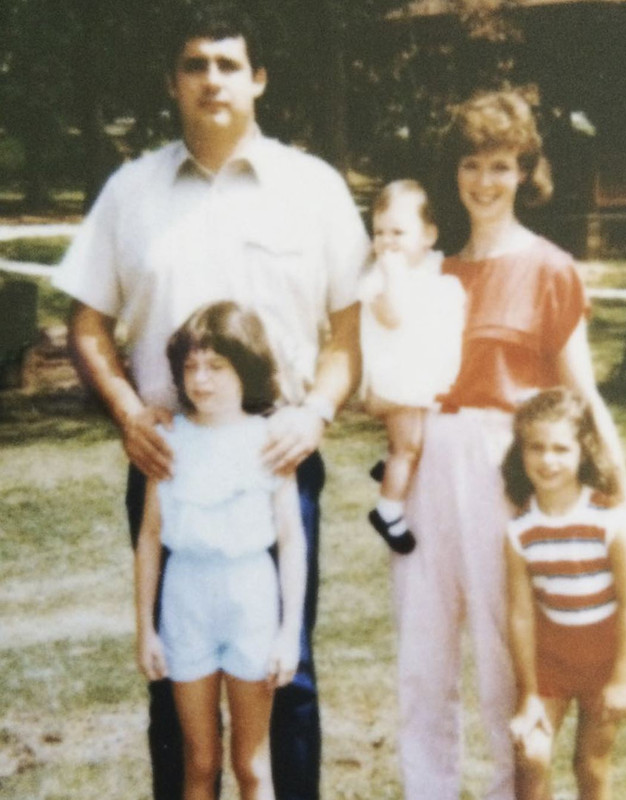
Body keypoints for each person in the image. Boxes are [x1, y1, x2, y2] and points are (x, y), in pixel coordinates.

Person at [53, 3, 369, 798]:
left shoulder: (314, 189)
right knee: (175, 679)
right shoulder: (132, 191)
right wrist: (130, 413)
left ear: (258, 78)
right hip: (168, 462)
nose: (212, 80)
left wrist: (316, 413)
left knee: (284, 673)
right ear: (172, 82)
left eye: (229, 64)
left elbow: (349, 334)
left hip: (277, 458)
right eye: (195, 64)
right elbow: (86, 322)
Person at [391, 89, 626, 800]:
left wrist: (625, 502)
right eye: (471, 164)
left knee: (508, 656)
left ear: (526, 171)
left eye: (501, 165)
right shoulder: (429, 269)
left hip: (509, 461)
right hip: (429, 461)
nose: (484, 181)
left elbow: (584, 397)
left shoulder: (550, 267)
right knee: (423, 651)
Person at [136, 301, 307, 800]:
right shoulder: (169, 439)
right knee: (201, 760)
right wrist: (145, 627)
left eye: (216, 366)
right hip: (187, 600)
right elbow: (149, 538)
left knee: (251, 765)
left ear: (246, 367)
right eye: (190, 367)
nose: (200, 379)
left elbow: (293, 539)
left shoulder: (270, 440)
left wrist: (288, 632)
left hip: (250, 598)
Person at [503, 388, 626, 800]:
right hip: (552, 656)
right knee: (530, 758)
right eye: (536, 448)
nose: (548, 461)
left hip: (606, 654)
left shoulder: (608, 519)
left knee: (591, 765)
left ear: (583, 451)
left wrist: (621, 679)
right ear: (521, 452)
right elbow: (521, 614)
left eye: (561, 449)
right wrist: (528, 693)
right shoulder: (519, 531)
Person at [359, 179, 465, 554]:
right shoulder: (377, 280)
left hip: (417, 377)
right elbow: (393, 317)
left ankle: (388, 468)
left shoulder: (434, 269)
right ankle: (387, 512)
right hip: (396, 383)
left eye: (398, 232)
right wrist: (392, 276)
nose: (387, 241)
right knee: (409, 447)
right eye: (379, 232)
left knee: (411, 445)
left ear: (428, 236)